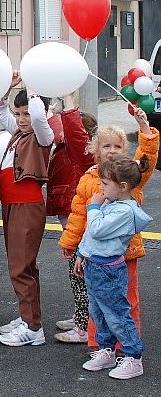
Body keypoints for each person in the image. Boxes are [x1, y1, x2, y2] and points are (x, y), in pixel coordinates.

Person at [58, 108, 159, 349]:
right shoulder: (88, 179)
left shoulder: (131, 176)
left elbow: (146, 159)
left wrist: (145, 130)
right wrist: (69, 242)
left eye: (117, 146)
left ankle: (126, 345)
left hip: (125, 254)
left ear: (125, 151)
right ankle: (99, 344)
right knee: (98, 301)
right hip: (96, 257)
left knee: (126, 299)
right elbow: (79, 214)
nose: (112, 151)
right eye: (106, 146)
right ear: (95, 151)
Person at [74, 155, 152, 380]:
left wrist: (94, 207)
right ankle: (106, 349)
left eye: (105, 184)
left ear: (123, 187)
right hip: (94, 265)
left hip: (108, 270)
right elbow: (91, 235)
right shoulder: (111, 203)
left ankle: (133, 357)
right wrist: (81, 253)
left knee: (117, 313)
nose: (100, 187)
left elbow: (97, 229)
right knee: (98, 312)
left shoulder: (124, 211)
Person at [0, 83, 54, 347]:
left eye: (26, 113)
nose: (21, 119)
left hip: (26, 206)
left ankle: (33, 327)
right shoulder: (18, 133)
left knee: (20, 267)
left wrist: (34, 86)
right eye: (18, 114)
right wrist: (6, 88)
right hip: (11, 205)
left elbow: (39, 116)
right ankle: (28, 316)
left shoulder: (43, 134)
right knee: (24, 265)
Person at [45, 96, 98, 343]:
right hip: (71, 219)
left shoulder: (81, 150)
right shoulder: (66, 148)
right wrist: (52, 113)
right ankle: (81, 316)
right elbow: (55, 128)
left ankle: (84, 325)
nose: (61, 133)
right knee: (75, 270)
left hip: (78, 222)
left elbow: (73, 132)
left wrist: (69, 106)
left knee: (80, 272)